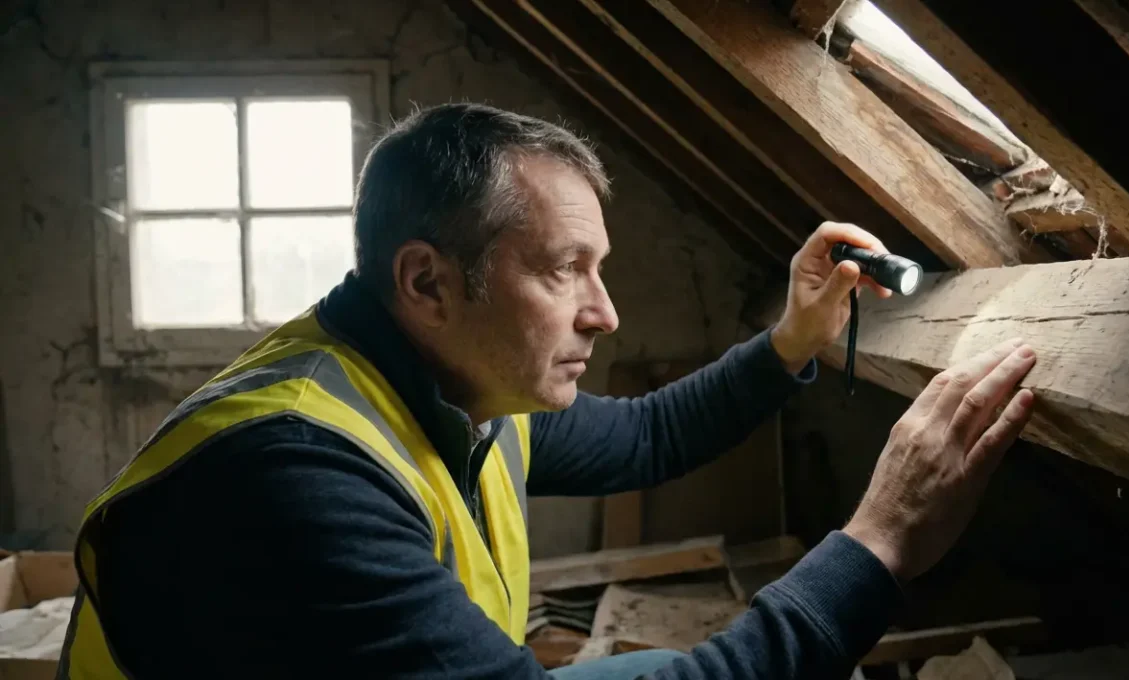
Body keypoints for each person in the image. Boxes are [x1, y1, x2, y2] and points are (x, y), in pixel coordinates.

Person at [58, 103, 1037, 679]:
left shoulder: (449, 389)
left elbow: (646, 436)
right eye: (566, 269)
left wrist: (789, 341)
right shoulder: (296, 474)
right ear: (427, 282)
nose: (604, 313)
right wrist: (879, 544)